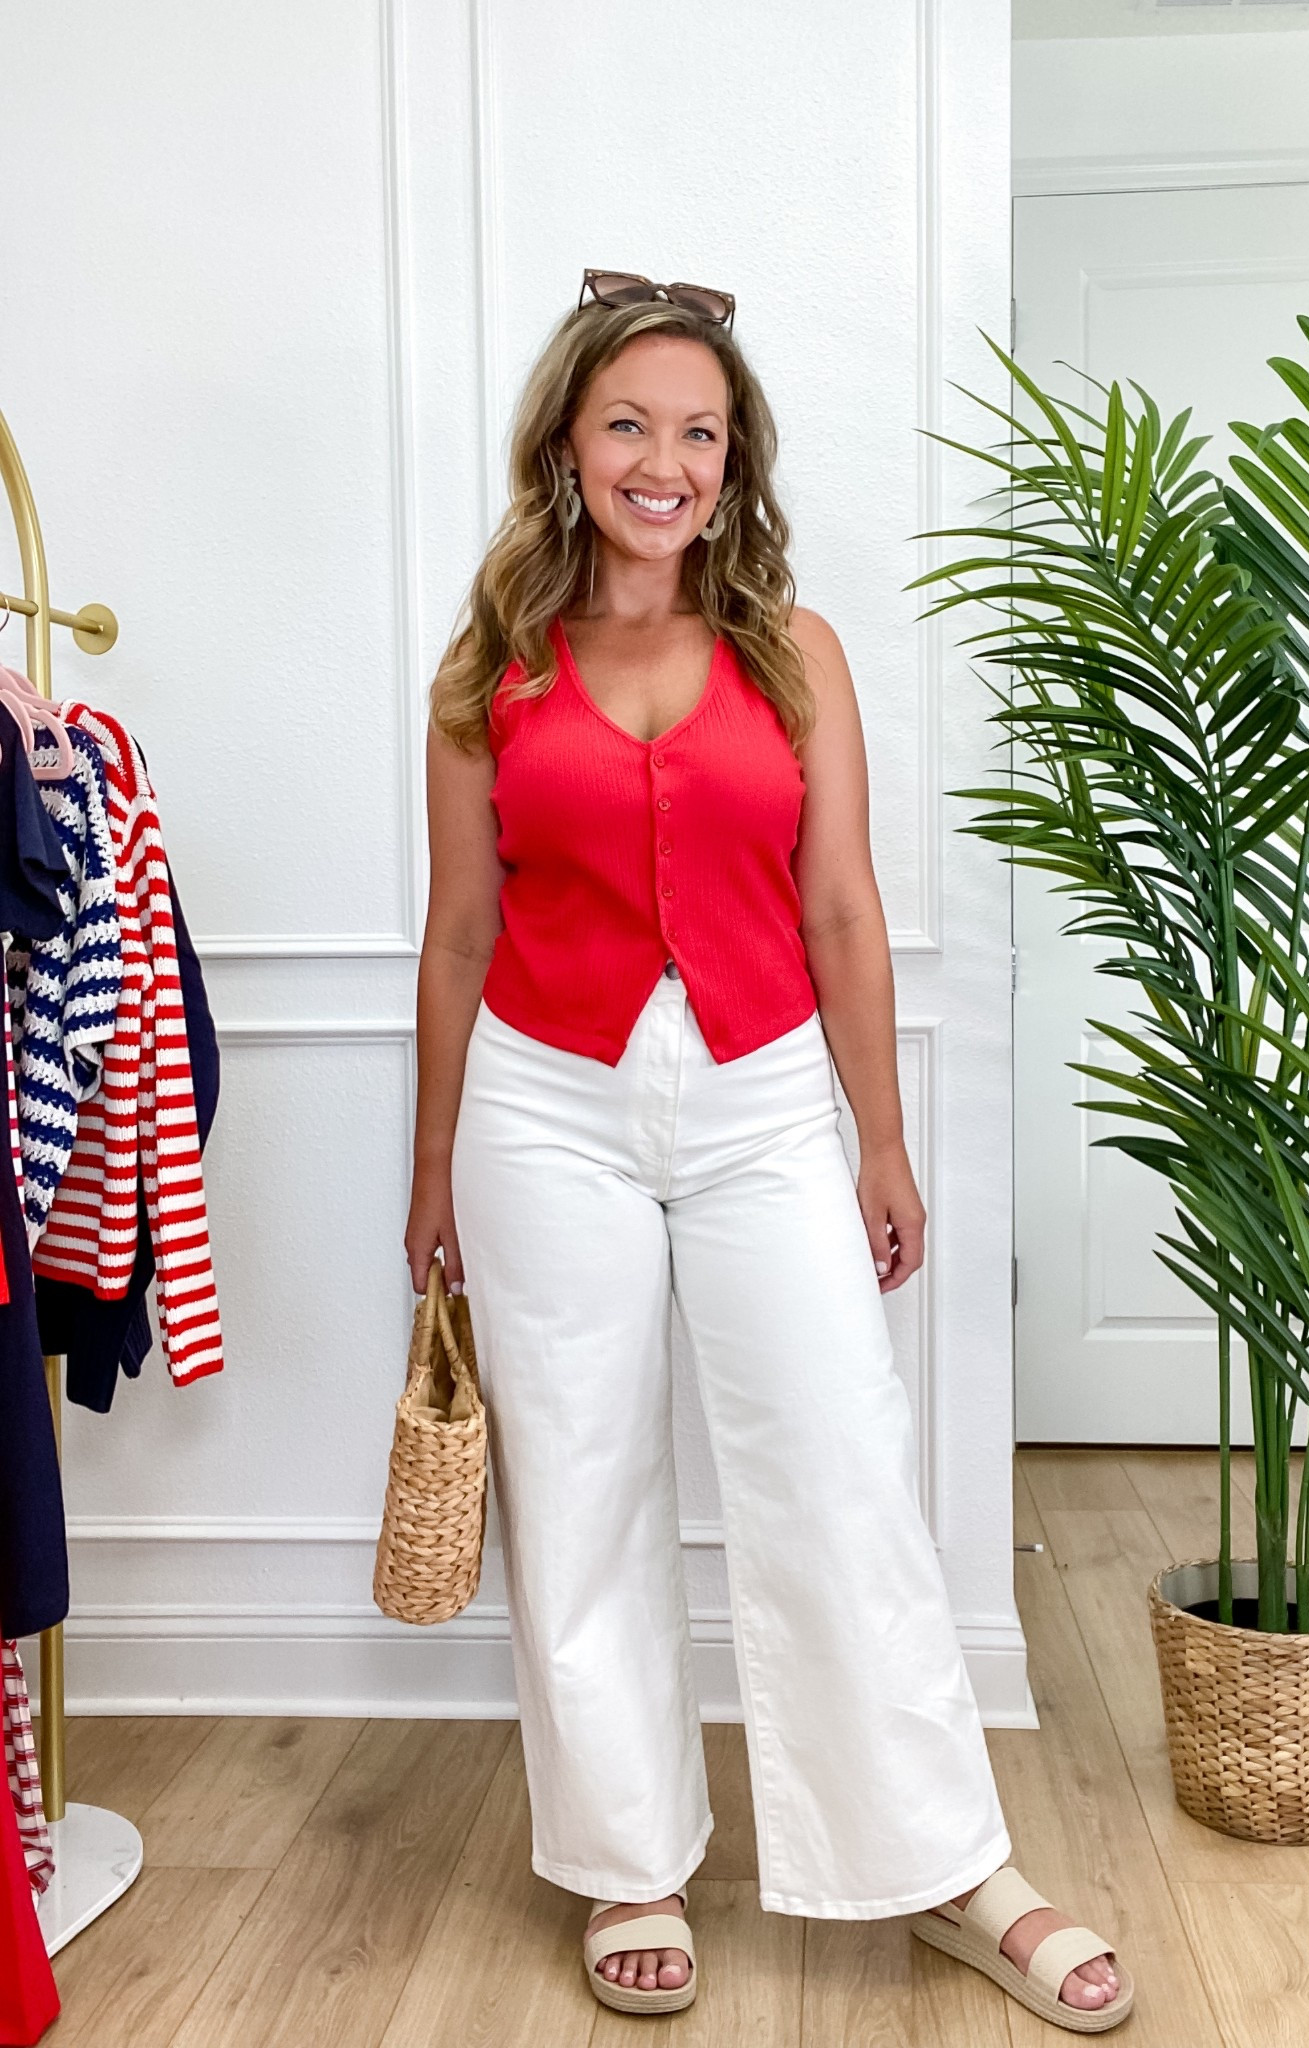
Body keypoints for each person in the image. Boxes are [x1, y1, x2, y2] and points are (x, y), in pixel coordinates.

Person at [405, 270, 1133, 2033]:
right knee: (578, 1485)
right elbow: (455, 935)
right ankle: (627, 1857)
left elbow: (846, 912)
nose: (665, 460)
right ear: (567, 446)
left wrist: (879, 1143)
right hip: (541, 1105)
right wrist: (430, 1176)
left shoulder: (795, 654)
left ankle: (950, 1862)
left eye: (700, 431)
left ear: (736, 465)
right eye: (630, 424)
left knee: (840, 1463)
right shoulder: (489, 669)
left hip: (757, 1102)